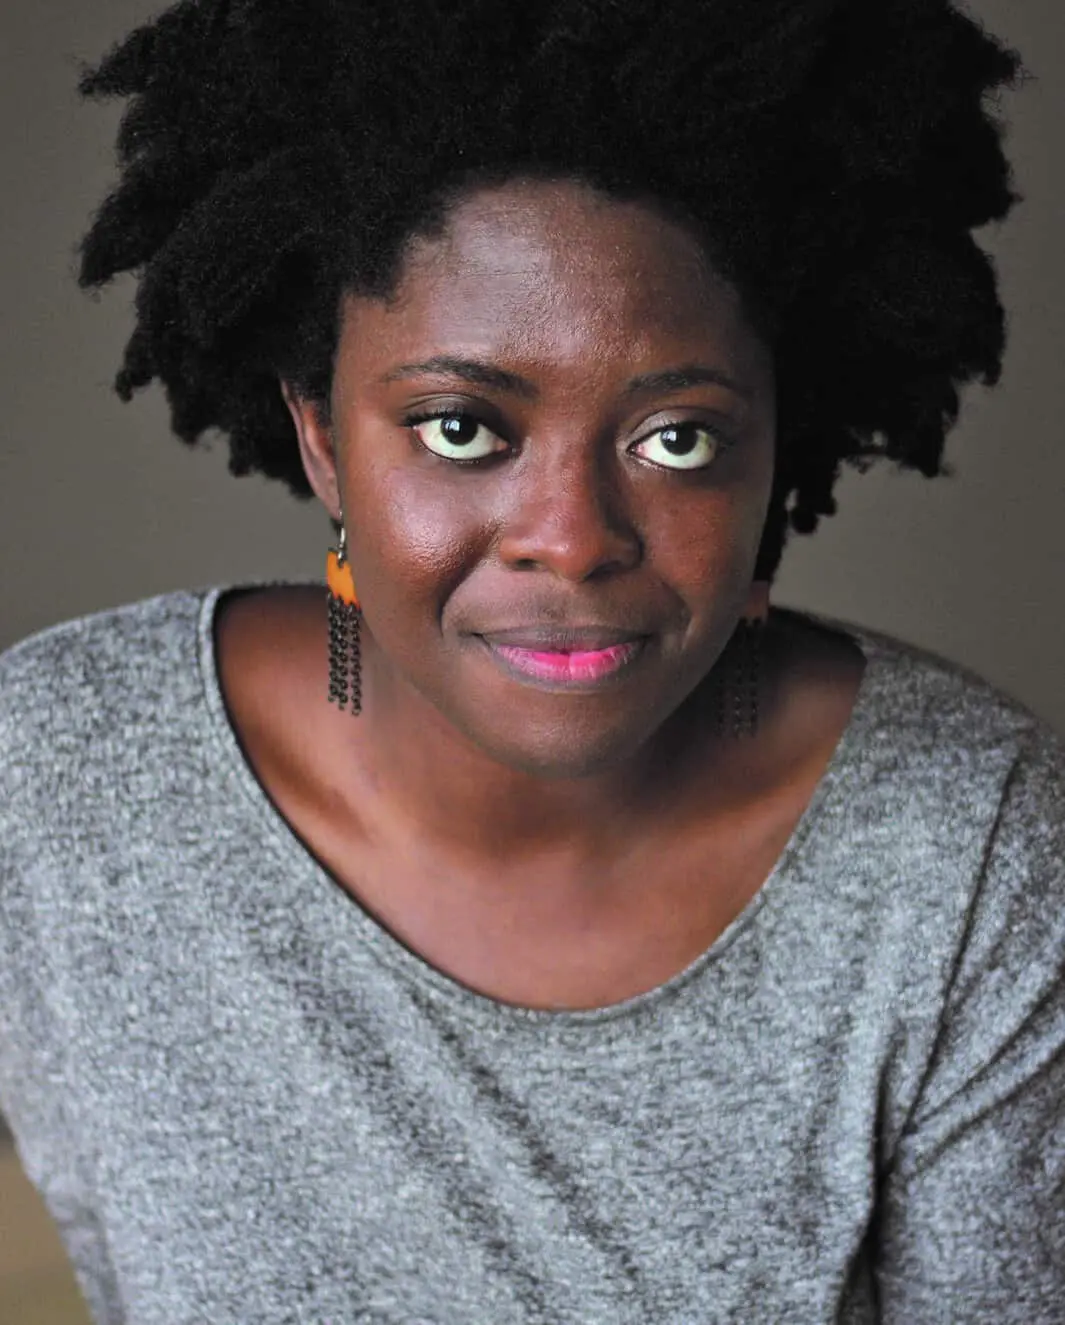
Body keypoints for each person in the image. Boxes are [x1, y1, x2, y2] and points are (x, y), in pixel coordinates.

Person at [1, 0, 1062, 1320]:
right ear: (323, 436)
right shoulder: (60, 781)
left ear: (777, 456)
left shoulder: (962, 848)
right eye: (461, 427)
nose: (572, 542)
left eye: (678, 439)